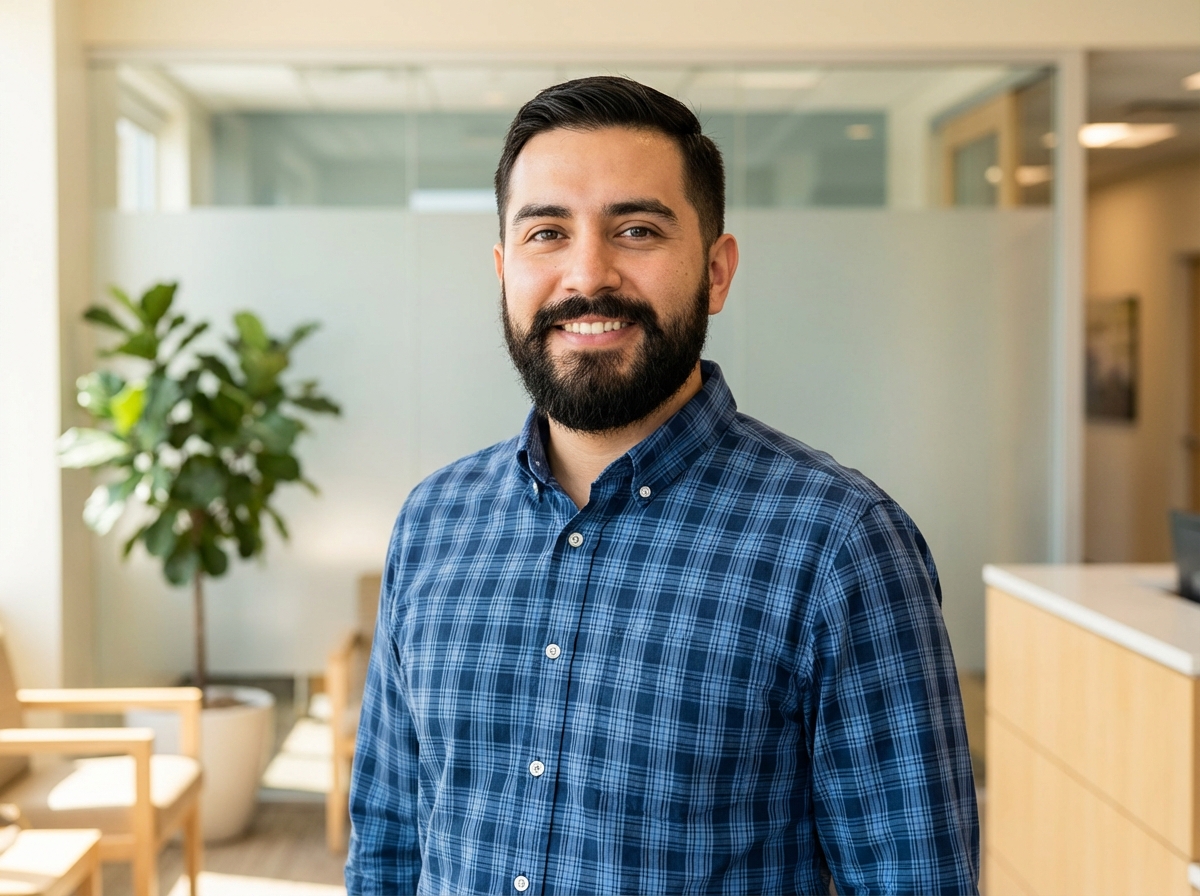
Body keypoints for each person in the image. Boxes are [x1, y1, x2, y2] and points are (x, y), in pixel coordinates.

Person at [345, 76, 979, 895]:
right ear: (503, 271)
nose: (587, 275)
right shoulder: (434, 522)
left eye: (636, 229)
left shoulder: (840, 546)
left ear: (716, 272)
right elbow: (391, 844)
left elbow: (915, 879)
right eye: (546, 232)